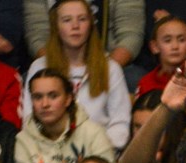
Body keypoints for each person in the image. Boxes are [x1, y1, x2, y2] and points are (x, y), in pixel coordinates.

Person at [21, 0, 132, 150]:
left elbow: (120, 126)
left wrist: (93, 149)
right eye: (67, 20)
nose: (75, 26)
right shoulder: (39, 67)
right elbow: (29, 122)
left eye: (82, 19)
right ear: (56, 27)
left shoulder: (111, 68)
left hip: (99, 154)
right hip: (49, 154)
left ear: (91, 24)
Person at [135, 15, 186, 123]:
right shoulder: (145, 82)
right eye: (167, 40)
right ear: (154, 47)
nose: (175, 46)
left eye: (181, 40)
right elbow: (140, 120)